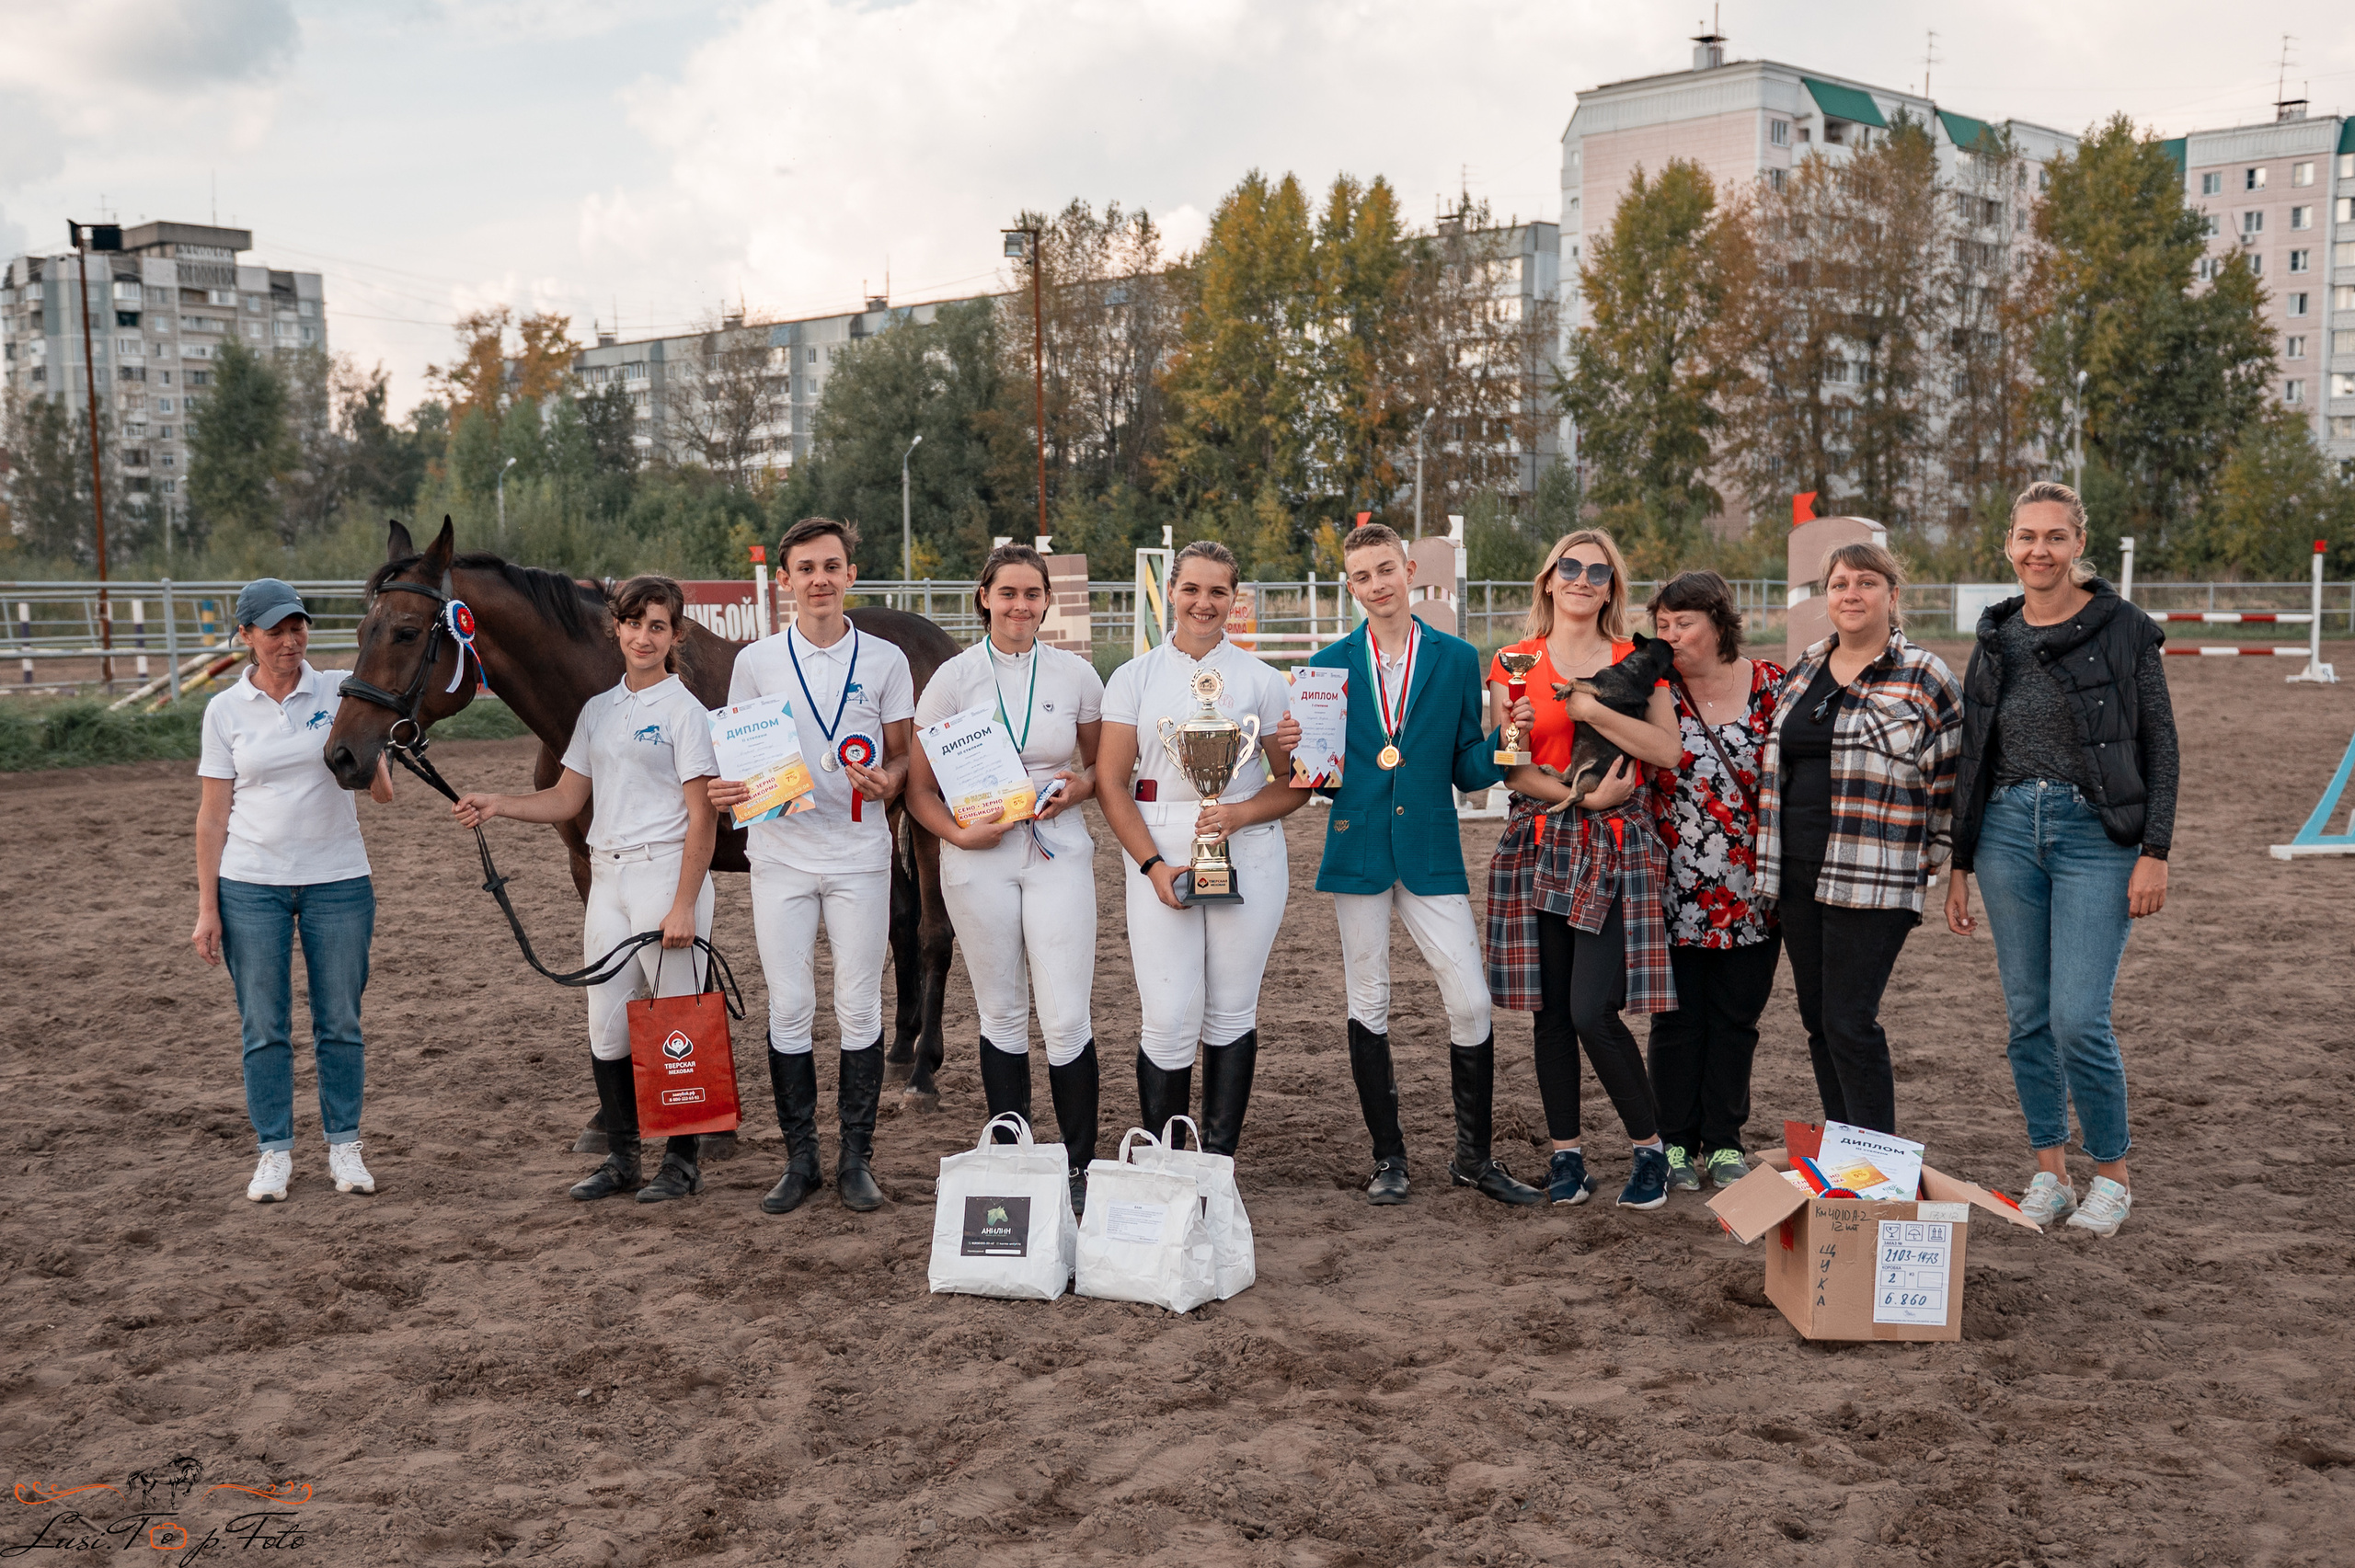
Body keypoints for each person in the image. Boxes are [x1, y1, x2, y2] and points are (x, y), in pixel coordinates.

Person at [1944, 481, 2176, 1239]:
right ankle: (2050, 1170)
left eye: (2054, 536)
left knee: (2080, 1016)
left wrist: (2155, 852)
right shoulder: (1995, 636)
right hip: (2010, 830)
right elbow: (1975, 755)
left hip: (2095, 837)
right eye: (2025, 536)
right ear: (2007, 545)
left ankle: (2113, 1173)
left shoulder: (2126, 629)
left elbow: (2160, 746)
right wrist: (1961, 861)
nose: (2038, 549)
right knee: (2028, 1017)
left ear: (2079, 543)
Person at [1286, 521, 1537, 1206]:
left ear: (1410, 567)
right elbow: (1319, 777)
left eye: (1386, 570)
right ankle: (1388, 1156)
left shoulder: (1457, 658)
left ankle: (1473, 1157)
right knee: (1368, 998)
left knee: (1471, 998)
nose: (1377, 585)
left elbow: (1465, 767)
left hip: (1430, 846)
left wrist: (1507, 741)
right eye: (1362, 577)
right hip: (1359, 846)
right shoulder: (1329, 661)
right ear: (1350, 586)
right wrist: (1296, 752)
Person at [452, 575, 720, 1204]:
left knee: (679, 1018)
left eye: (658, 625)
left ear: (675, 634)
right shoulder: (598, 711)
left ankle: (683, 1161)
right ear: (617, 629)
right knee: (607, 1025)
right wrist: (497, 803)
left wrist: (684, 901)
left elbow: (703, 817)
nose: (644, 636)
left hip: (664, 872)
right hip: (609, 876)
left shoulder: (687, 712)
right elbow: (568, 797)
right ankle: (624, 1157)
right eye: (633, 623)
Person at [711, 519, 914, 1215]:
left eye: (833, 565)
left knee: (859, 1003)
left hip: (860, 854)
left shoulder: (886, 660)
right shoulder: (757, 661)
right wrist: (729, 786)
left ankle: (856, 1157)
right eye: (807, 568)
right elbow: (741, 755)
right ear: (786, 581)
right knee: (791, 1003)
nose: (820, 578)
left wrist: (890, 780)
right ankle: (800, 1158)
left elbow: (902, 753)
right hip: (781, 855)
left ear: (852, 575)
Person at [1484, 532, 1684, 1210]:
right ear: (1548, 579)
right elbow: (1512, 766)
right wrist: (1581, 796)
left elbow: (1666, 750)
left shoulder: (1635, 662)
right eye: (1569, 566)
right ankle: (1567, 1157)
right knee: (1549, 1015)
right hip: (1540, 839)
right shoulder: (1512, 662)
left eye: (1597, 571)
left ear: (1609, 587)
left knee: (1592, 1010)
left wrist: (1594, 710)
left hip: (1614, 846)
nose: (1582, 577)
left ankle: (1650, 1151)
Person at [904, 544, 1105, 1211]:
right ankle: (1016, 1159)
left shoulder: (1076, 673)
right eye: (1008, 592)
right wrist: (959, 834)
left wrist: (1074, 792)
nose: (1021, 605)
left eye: (1032, 594)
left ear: (1047, 601)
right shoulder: (953, 678)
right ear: (984, 596)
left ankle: (1079, 1167)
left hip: (1057, 849)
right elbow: (918, 791)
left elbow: (1105, 770)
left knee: (1067, 1013)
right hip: (979, 856)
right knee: (1000, 1010)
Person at [1097, 540, 1304, 1153]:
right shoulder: (1133, 678)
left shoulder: (1264, 682)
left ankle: (1217, 1160)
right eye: (1191, 588)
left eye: (1218, 591)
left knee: (1232, 1010)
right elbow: (1110, 782)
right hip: (1159, 846)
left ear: (1234, 599)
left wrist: (1240, 811)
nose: (1204, 602)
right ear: (1173, 593)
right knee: (1165, 1015)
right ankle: (1164, 1161)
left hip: (1250, 847)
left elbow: (1296, 785)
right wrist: (1152, 864)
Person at [192, 578, 394, 1203]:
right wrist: (207, 907)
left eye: (298, 627)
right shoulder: (224, 711)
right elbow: (211, 815)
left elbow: (382, 792)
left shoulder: (336, 689)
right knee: (264, 1024)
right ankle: (274, 1151)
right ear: (247, 636)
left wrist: (377, 754)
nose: (290, 641)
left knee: (340, 1020)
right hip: (251, 886)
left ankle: (344, 1144)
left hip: (338, 878)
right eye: (275, 630)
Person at [1756, 540, 1963, 1138]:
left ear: (1892, 595)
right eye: (1840, 583)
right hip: (1795, 868)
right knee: (1819, 1020)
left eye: (1866, 582)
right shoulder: (1804, 670)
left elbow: (1952, 781)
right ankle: (1848, 1156)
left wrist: (1943, 868)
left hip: (1873, 875)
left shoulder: (1926, 676)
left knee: (1850, 1020)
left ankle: (1881, 1168)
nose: (1852, 593)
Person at [1643, 570, 1786, 1193]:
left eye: (1684, 623)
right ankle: (1674, 1140)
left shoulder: (1774, 685)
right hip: (1674, 887)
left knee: (1737, 1020)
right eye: (1663, 625)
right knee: (1677, 1020)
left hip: (1757, 888)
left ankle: (1724, 1140)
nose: (1671, 636)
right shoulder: (1654, 691)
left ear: (1719, 620)